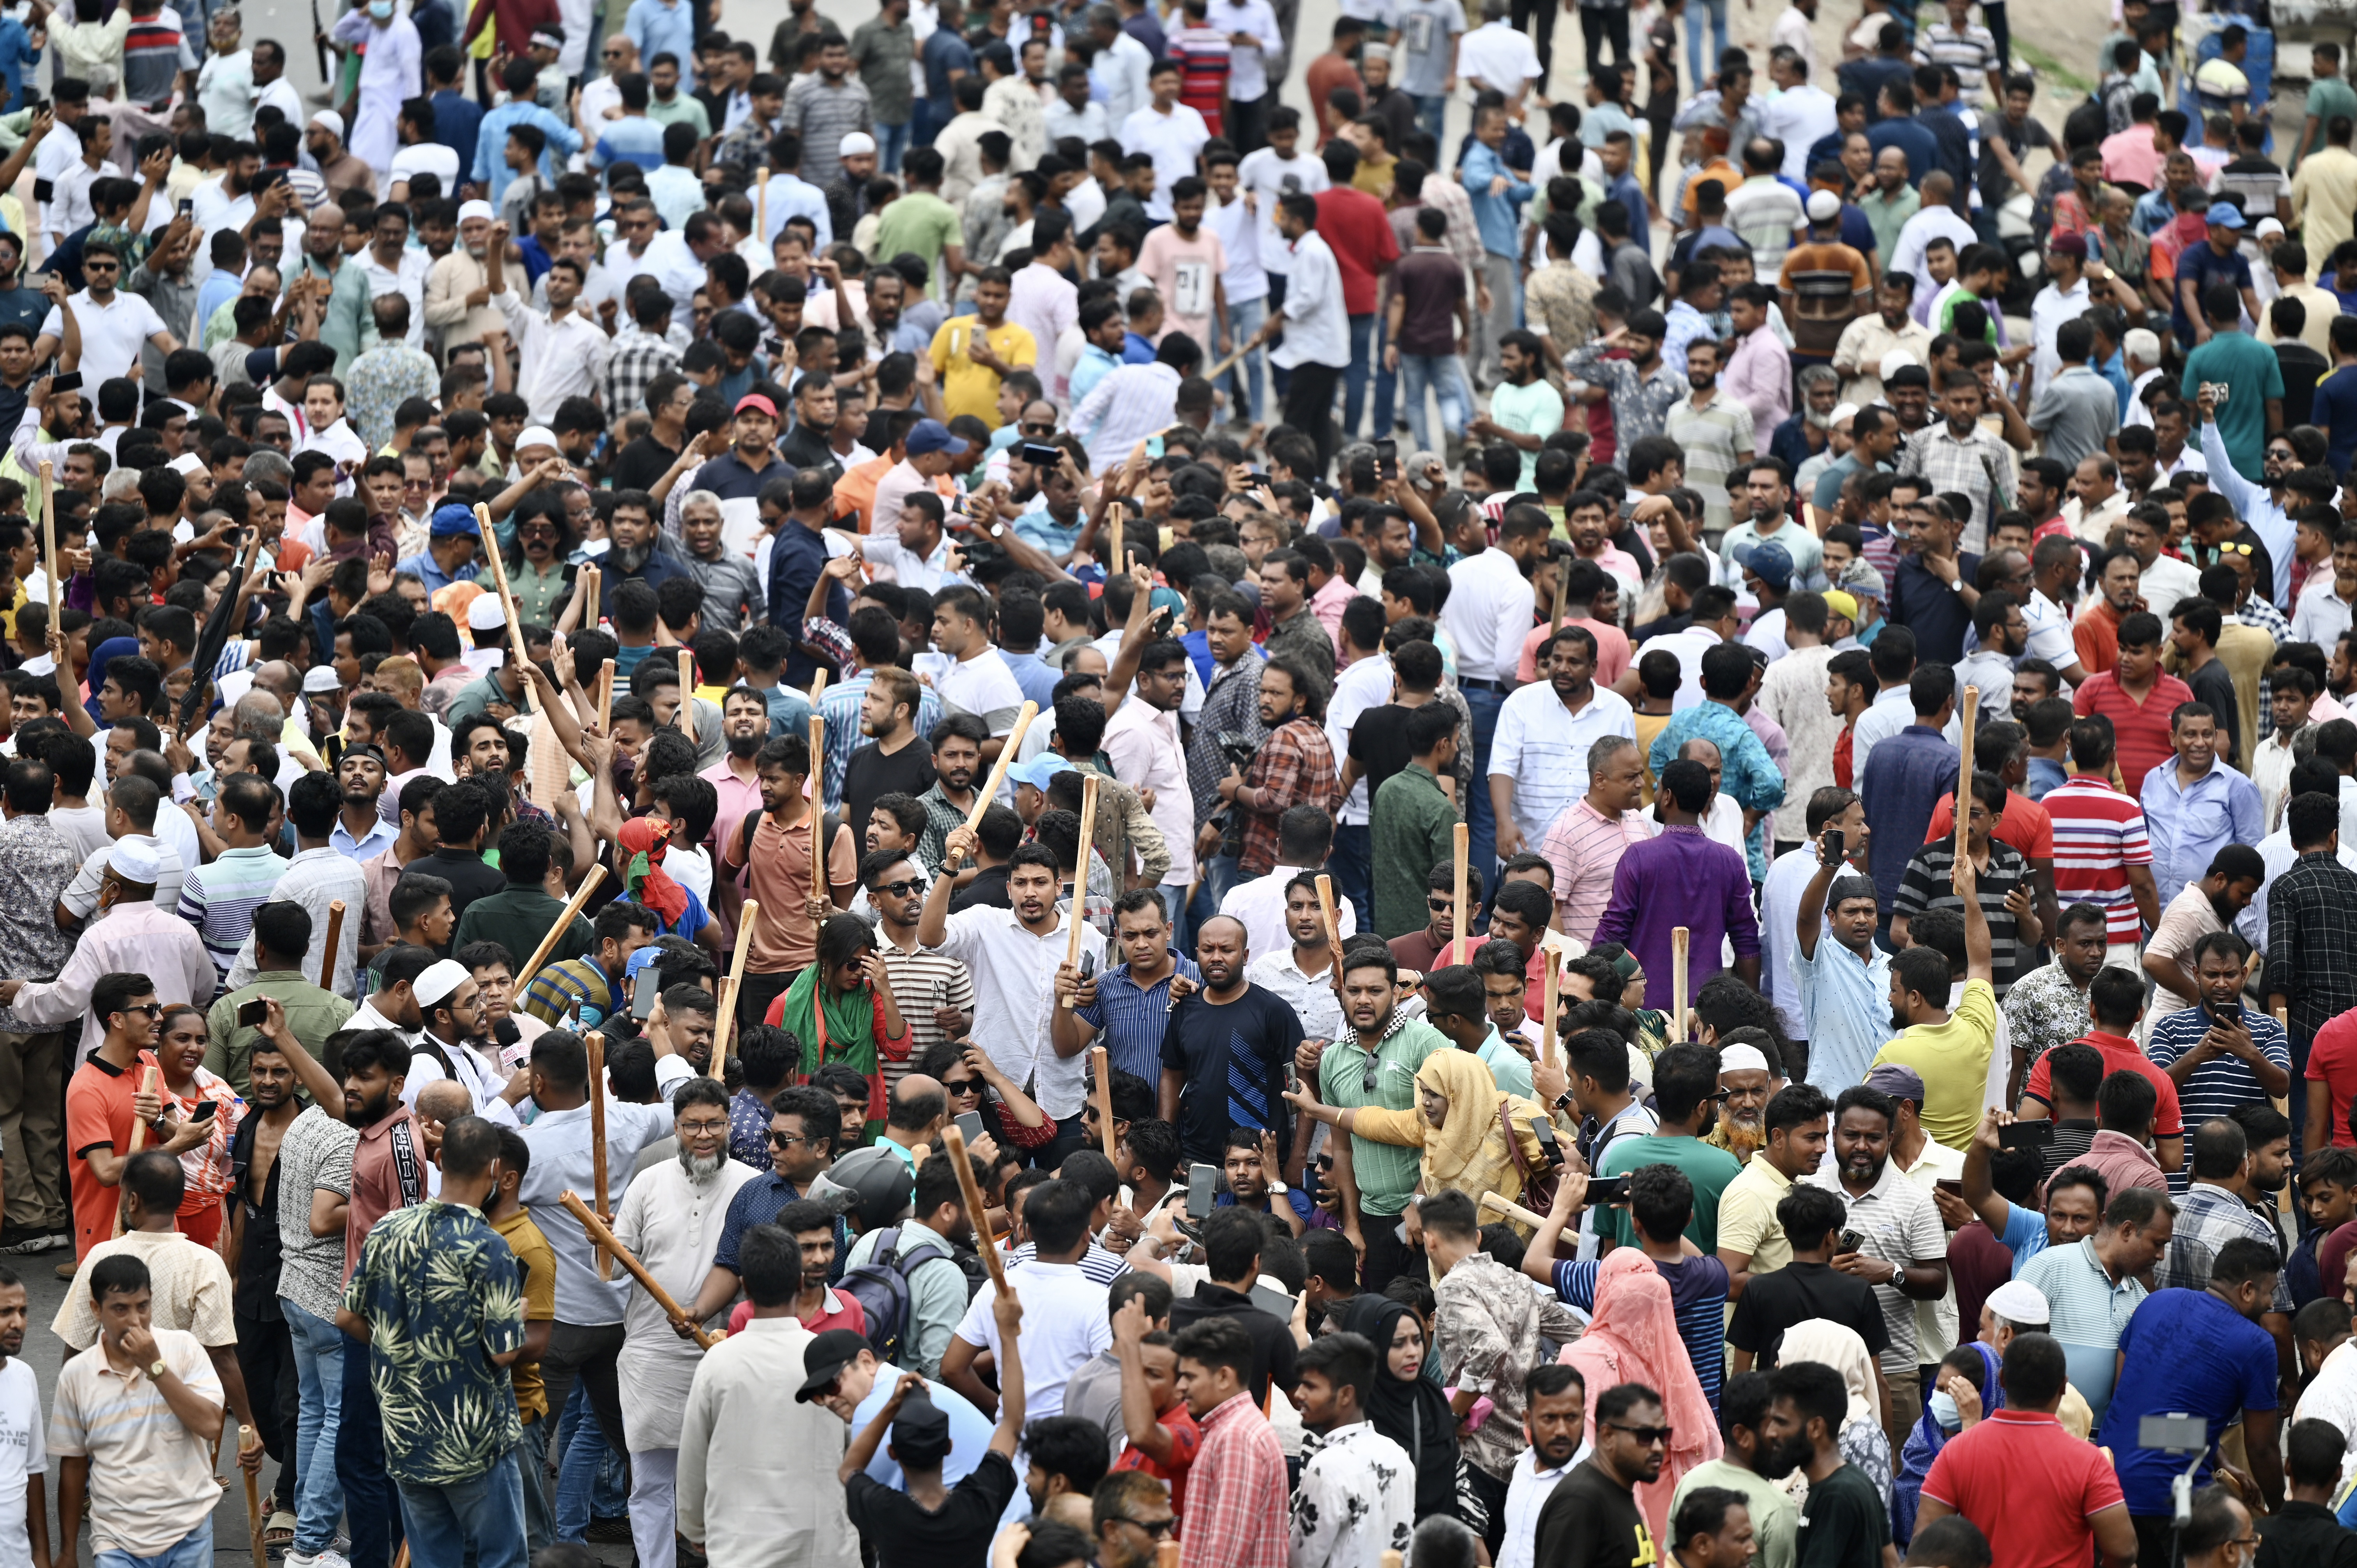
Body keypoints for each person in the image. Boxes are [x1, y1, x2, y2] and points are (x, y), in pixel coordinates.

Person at [676, 1243, 865, 1568]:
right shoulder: (827, 1359)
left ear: (745, 1286)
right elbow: (856, 1449)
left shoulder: (718, 1361)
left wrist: (694, 1526)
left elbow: (694, 1455)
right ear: (799, 1283)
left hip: (742, 1547)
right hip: (823, 1545)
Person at [2100, 1235, 2286, 1552]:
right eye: (2269, 1294)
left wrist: (2223, 1461)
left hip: (2109, 1483)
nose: (2271, 1304)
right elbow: (2262, 1447)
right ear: (2247, 1290)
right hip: (2176, 1499)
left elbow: (2136, 1407)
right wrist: (2283, 1513)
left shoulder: (2157, 1301)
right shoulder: (2256, 1343)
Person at [52, 1252, 226, 1568]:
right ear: (96, 1309)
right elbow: (74, 1464)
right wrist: (67, 1550)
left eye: (142, 1307)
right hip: (117, 1540)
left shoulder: (184, 1348)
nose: (135, 1320)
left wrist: (156, 1368)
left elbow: (212, 1425)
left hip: (189, 1531)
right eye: (120, 1309)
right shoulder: (76, 1375)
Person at [842, 1277, 1029, 1568]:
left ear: (893, 1452)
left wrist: (892, 1404)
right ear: (949, 1447)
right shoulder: (978, 1500)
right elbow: (1012, 1423)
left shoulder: (885, 1511)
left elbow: (850, 1469)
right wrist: (1007, 1333)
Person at [1914, 1330, 2134, 1568]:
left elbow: (1924, 1541)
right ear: (2063, 1386)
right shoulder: (2089, 1461)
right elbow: (2123, 1550)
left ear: (2002, 1380)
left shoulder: (1957, 1451)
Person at [2016, 1186, 2176, 1421]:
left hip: (2102, 1443)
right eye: (2157, 1243)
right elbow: (2003, 1340)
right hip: (2041, 1434)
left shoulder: (2141, 1298)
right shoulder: (2050, 1266)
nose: (2161, 1255)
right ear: (2128, 1230)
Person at [1291, 1329, 1417, 1568]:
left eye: (1311, 1386)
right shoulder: (1398, 1455)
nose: (1299, 1394)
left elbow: (1302, 1561)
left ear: (1346, 1395)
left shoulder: (1326, 1467)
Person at [1763, 1359, 1890, 1568]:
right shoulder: (1856, 1481)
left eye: (1781, 1422)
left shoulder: (1836, 1497)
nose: (1771, 1433)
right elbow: (1891, 1560)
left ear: (1816, 1428)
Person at [1669, 1372, 1800, 1568]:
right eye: (1774, 1426)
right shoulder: (1779, 1510)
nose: (1782, 1436)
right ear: (1741, 1435)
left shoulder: (1690, 1482)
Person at [1533, 1381, 1668, 1568]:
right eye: (1645, 1436)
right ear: (1608, 1436)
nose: (1658, 1447)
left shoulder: (1617, 1487)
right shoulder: (1580, 1502)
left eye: (1663, 1436)